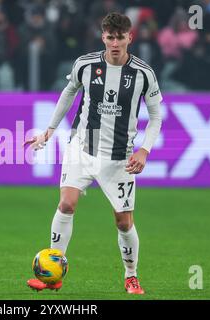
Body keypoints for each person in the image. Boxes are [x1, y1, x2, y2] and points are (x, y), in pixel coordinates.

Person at [25, 12, 162, 295]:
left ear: (129, 38)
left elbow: (156, 116)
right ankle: (53, 273)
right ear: (103, 37)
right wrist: (49, 130)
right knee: (66, 204)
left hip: (120, 156)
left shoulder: (143, 73)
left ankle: (131, 275)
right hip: (82, 147)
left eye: (120, 37)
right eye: (110, 37)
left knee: (123, 222)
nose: (115, 43)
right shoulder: (85, 64)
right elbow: (68, 92)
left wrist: (145, 150)